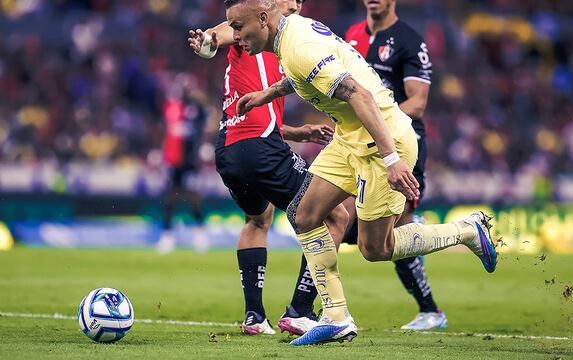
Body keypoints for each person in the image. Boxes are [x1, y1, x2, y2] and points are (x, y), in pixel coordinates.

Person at [227, 0, 498, 346]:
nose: (235, 37)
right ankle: (336, 317)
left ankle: (467, 230)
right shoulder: (290, 36)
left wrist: (392, 160)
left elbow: (361, 96)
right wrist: (267, 94)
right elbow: (303, 77)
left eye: (238, 27)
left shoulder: (299, 47)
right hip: (350, 138)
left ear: (263, 19)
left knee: (376, 248)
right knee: (304, 214)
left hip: (382, 141)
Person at [187, 0, 349, 337]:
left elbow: (257, 113)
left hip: (231, 149)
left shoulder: (287, 46)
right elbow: (222, 32)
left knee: (258, 219)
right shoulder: (253, 30)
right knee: (336, 217)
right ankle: (301, 311)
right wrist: (207, 43)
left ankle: (254, 317)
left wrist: (296, 131)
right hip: (258, 147)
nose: (292, 6)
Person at [342, 0, 446, 331]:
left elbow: (418, 102)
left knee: (393, 231)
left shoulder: (409, 41)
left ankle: (430, 309)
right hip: (359, 144)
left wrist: (381, 124)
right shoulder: (352, 35)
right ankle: (314, 310)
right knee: (336, 218)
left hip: (402, 147)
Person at [157, 74, 208, 255]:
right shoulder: (172, 107)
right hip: (174, 159)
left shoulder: (198, 108)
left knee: (193, 196)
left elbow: (203, 131)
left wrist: (202, 152)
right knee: (171, 196)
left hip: (191, 160)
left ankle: (199, 231)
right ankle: (167, 233)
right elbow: (165, 131)